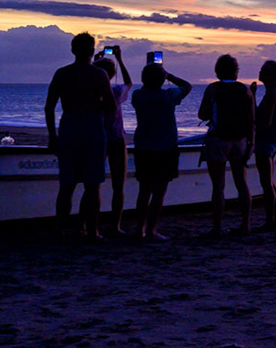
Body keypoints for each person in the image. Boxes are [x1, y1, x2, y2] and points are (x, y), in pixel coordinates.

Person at [45, 32, 115, 240]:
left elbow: (49, 107)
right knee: (92, 186)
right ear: (92, 51)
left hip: (69, 128)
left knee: (66, 186)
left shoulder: (62, 73)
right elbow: (111, 106)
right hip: (92, 129)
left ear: (73, 50)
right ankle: (92, 231)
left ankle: (60, 230)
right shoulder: (99, 75)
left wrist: (52, 135)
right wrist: (95, 103)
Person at [129, 58, 192, 241]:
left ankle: (139, 230)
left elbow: (144, 88)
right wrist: (168, 75)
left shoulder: (138, 96)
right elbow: (187, 86)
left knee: (144, 191)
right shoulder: (168, 96)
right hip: (166, 147)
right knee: (159, 192)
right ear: (162, 79)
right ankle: (151, 230)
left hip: (144, 147)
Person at [197, 54, 256, 237]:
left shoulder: (213, 89)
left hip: (218, 139)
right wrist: (251, 143)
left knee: (218, 186)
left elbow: (202, 114)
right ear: (236, 71)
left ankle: (217, 228)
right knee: (242, 183)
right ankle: (245, 225)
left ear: (218, 71)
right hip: (239, 141)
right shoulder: (245, 90)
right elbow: (251, 120)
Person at [94, 46, 133, 235]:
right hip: (116, 139)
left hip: (96, 137)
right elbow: (129, 83)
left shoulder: (91, 93)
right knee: (118, 186)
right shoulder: (115, 91)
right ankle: (115, 226)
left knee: (92, 185)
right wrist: (120, 59)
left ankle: (88, 225)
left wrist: (94, 63)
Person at [251, 60, 276, 231]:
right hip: (273, 139)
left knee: (266, 182)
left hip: (266, 140)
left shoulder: (272, 93)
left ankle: (270, 221)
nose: (259, 73)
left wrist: (251, 99)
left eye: (263, 70)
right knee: (270, 181)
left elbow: (265, 121)